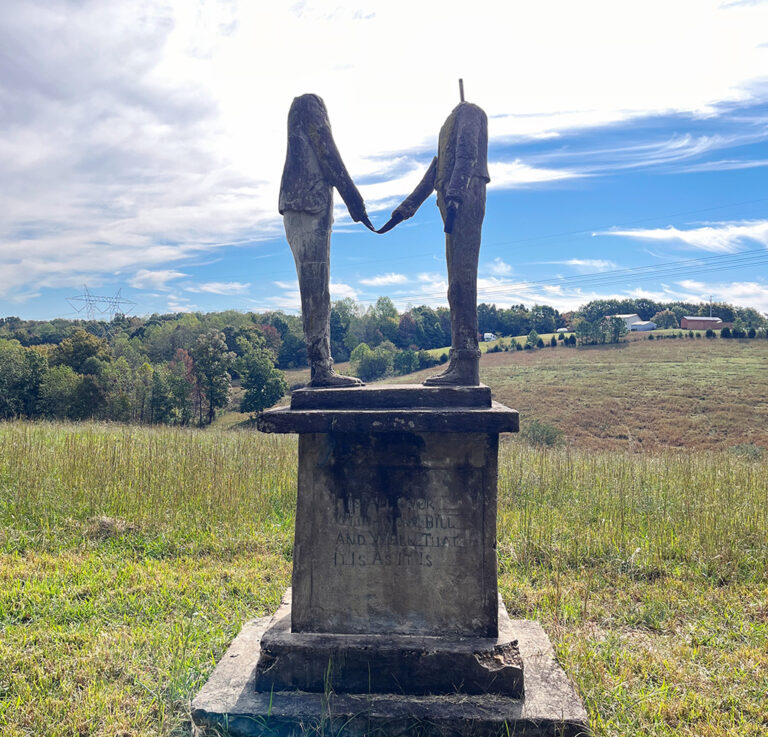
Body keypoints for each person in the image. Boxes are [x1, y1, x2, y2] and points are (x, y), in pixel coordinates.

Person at [378, 100, 489, 385]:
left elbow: (468, 153)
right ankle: (460, 360)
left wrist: (455, 192)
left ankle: (466, 363)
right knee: (455, 286)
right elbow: (438, 167)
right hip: (451, 199)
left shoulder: (469, 113)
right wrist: (408, 206)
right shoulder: (448, 124)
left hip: (463, 198)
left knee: (462, 282)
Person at [279, 94, 375, 387]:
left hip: (303, 203)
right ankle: (321, 370)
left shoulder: (299, 109)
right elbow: (328, 154)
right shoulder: (310, 105)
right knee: (315, 291)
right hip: (307, 203)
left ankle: (320, 367)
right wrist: (354, 200)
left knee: (316, 291)